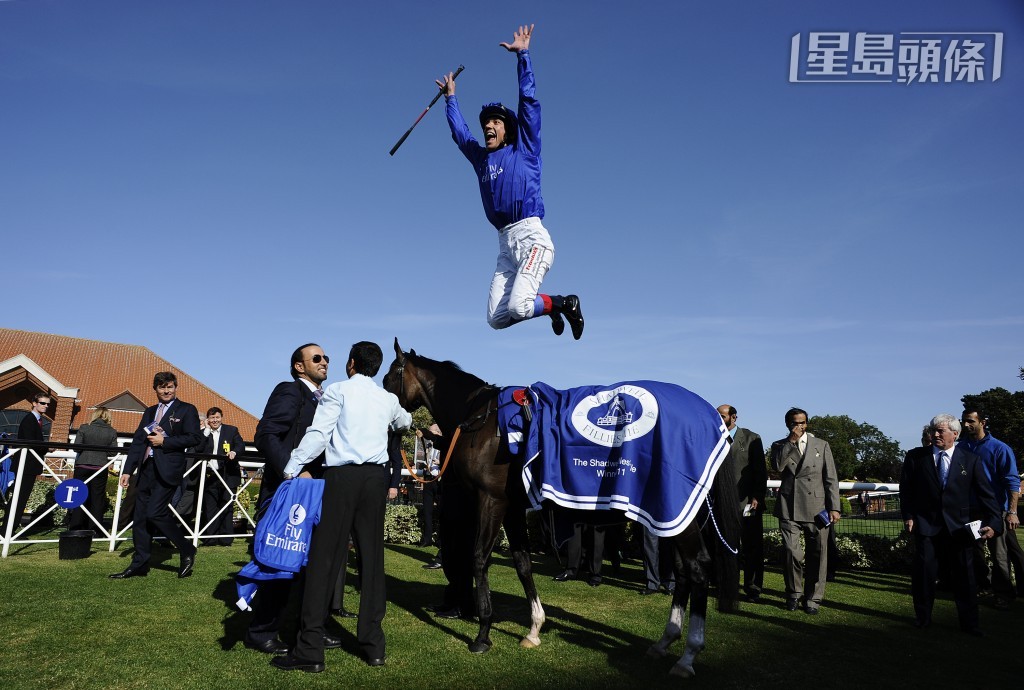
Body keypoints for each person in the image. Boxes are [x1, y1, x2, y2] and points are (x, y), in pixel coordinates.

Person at [436, 24, 585, 340]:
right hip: (505, 244)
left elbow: (528, 101)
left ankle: (562, 303)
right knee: (496, 318)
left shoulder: (526, 148)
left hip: (532, 237)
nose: (488, 125)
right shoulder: (481, 159)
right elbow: (461, 135)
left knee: (519, 307)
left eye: (495, 121)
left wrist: (523, 56)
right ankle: (554, 307)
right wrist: (451, 99)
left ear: (508, 130)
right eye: (486, 122)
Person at [272, 341, 411, 672]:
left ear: (351, 363)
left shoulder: (338, 391)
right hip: (375, 481)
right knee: (372, 558)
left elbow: (319, 435)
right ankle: (373, 645)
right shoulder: (387, 399)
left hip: (343, 478)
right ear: (375, 368)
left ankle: (309, 649)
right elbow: (405, 421)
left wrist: (291, 467)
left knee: (325, 559)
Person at [244, 343, 329, 654]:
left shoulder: (327, 399)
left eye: (326, 358)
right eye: (317, 358)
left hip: (317, 492)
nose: (324, 362)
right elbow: (266, 434)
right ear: (299, 366)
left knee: (311, 565)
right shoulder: (290, 391)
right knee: (279, 562)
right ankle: (260, 631)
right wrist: (292, 470)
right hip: (288, 490)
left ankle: (308, 630)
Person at [900, 414, 1002, 634]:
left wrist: (994, 522)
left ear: (955, 434)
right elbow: (906, 491)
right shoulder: (915, 457)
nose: (935, 434)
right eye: (933, 430)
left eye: (941, 431)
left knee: (965, 577)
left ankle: (970, 623)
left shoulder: (970, 459)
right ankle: (923, 618)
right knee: (924, 576)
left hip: (959, 528)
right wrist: (908, 515)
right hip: (926, 526)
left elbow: (987, 495)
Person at [110, 372, 202, 579]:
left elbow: (194, 437)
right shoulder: (150, 412)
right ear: (156, 389)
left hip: (168, 470)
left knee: (155, 513)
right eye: (162, 387)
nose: (166, 391)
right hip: (146, 469)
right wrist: (127, 470)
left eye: (170, 386)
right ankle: (140, 564)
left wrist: (166, 442)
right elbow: (138, 442)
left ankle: (186, 548)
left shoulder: (187, 410)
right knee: (140, 518)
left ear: (176, 387)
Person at [770, 407, 840, 614]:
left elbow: (831, 478)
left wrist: (834, 507)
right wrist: (791, 443)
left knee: (818, 554)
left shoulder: (821, 445)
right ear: (788, 425)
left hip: (817, 508)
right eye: (794, 423)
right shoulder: (779, 445)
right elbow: (777, 467)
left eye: (802, 423)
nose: (798, 426)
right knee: (792, 552)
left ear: (807, 423)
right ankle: (793, 594)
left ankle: (813, 599)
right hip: (788, 506)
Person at [959, 408, 1020, 610]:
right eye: (964, 421)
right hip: (971, 510)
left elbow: (1012, 482)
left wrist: (1012, 512)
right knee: (974, 552)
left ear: (983, 422)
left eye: (970, 421)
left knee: (999, 554)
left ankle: (1004, 594)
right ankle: (983, 586)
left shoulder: (1000, 448)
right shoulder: (962, 447)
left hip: (995, 511)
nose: (966, 425)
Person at [717, 404, 767, 601]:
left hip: (747, 503)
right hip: (721, 503)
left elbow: (760, 471)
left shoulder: (752, 438)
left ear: (734, 417)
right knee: (725, 547)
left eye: (722, 416)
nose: (719, 420)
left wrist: (757, 497)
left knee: (752, 548)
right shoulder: (713, 437)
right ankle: (727, 586)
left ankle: (753, 588)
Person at [1, 393, 50, 537]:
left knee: (20, 498)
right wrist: (46, 447)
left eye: (47, 404)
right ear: (34, 403)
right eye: (43, 403)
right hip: (26, 464)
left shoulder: (37, 420)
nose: (46, 406)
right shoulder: (29, 420)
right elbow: (31, 442)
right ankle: (7, 530)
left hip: (29, 465)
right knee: (19, 497)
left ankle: (9, 529)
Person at [195, 407, 244, 546]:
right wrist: (205, 430)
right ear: (208, 420)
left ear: (221, 418)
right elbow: (198, 449)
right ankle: (210, 538)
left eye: (217, 417)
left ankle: (226, 539)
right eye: (212, 418)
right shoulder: (203, 433)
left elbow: (241, 446)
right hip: (210, 476)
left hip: (228, 475)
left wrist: (234, 451)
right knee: (210, 508)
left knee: (226, 507)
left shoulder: (231, 430)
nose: (215, 420)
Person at [68, 407, 118, 531]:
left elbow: (77, 447)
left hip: (83, 464)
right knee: (97, 498)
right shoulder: (112, 431)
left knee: (79, 495)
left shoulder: (84, 427)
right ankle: (95, 528)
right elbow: (113, 452)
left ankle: (76, 526)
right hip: (100, 467)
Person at [639, 525, 676, 595]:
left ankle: (671, 584)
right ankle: (652, 584)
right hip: (648, 515)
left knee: (668, 545)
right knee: (649, 546)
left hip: (666, 515)